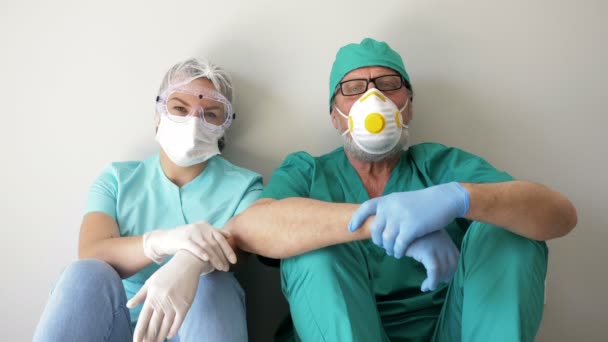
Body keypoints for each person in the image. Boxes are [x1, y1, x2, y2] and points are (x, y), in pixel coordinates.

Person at [227, 38, 577, 342]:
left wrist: (460, 198)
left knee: (509, 232)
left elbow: (560, 215)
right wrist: (379, 223)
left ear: (407, 107)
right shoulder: (308, 171)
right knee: (314, 250)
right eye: (353, 88)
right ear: (335, 116)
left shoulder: (440, 165)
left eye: (388, 83)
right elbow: (250, 228)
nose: (373, 97)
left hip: (451, 330)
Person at [34, 58, 262, 342]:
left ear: (225, 126)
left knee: (214, 283)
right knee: (86, 273)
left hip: (196, 328)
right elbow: (92, 250)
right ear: (158, 113)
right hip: (118, 330)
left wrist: (192, 261)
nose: (193, 121)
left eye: (211, 114)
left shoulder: (245, 187)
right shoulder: (117, 180)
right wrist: (160, 242)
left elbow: (244, 245)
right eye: (179, 108)